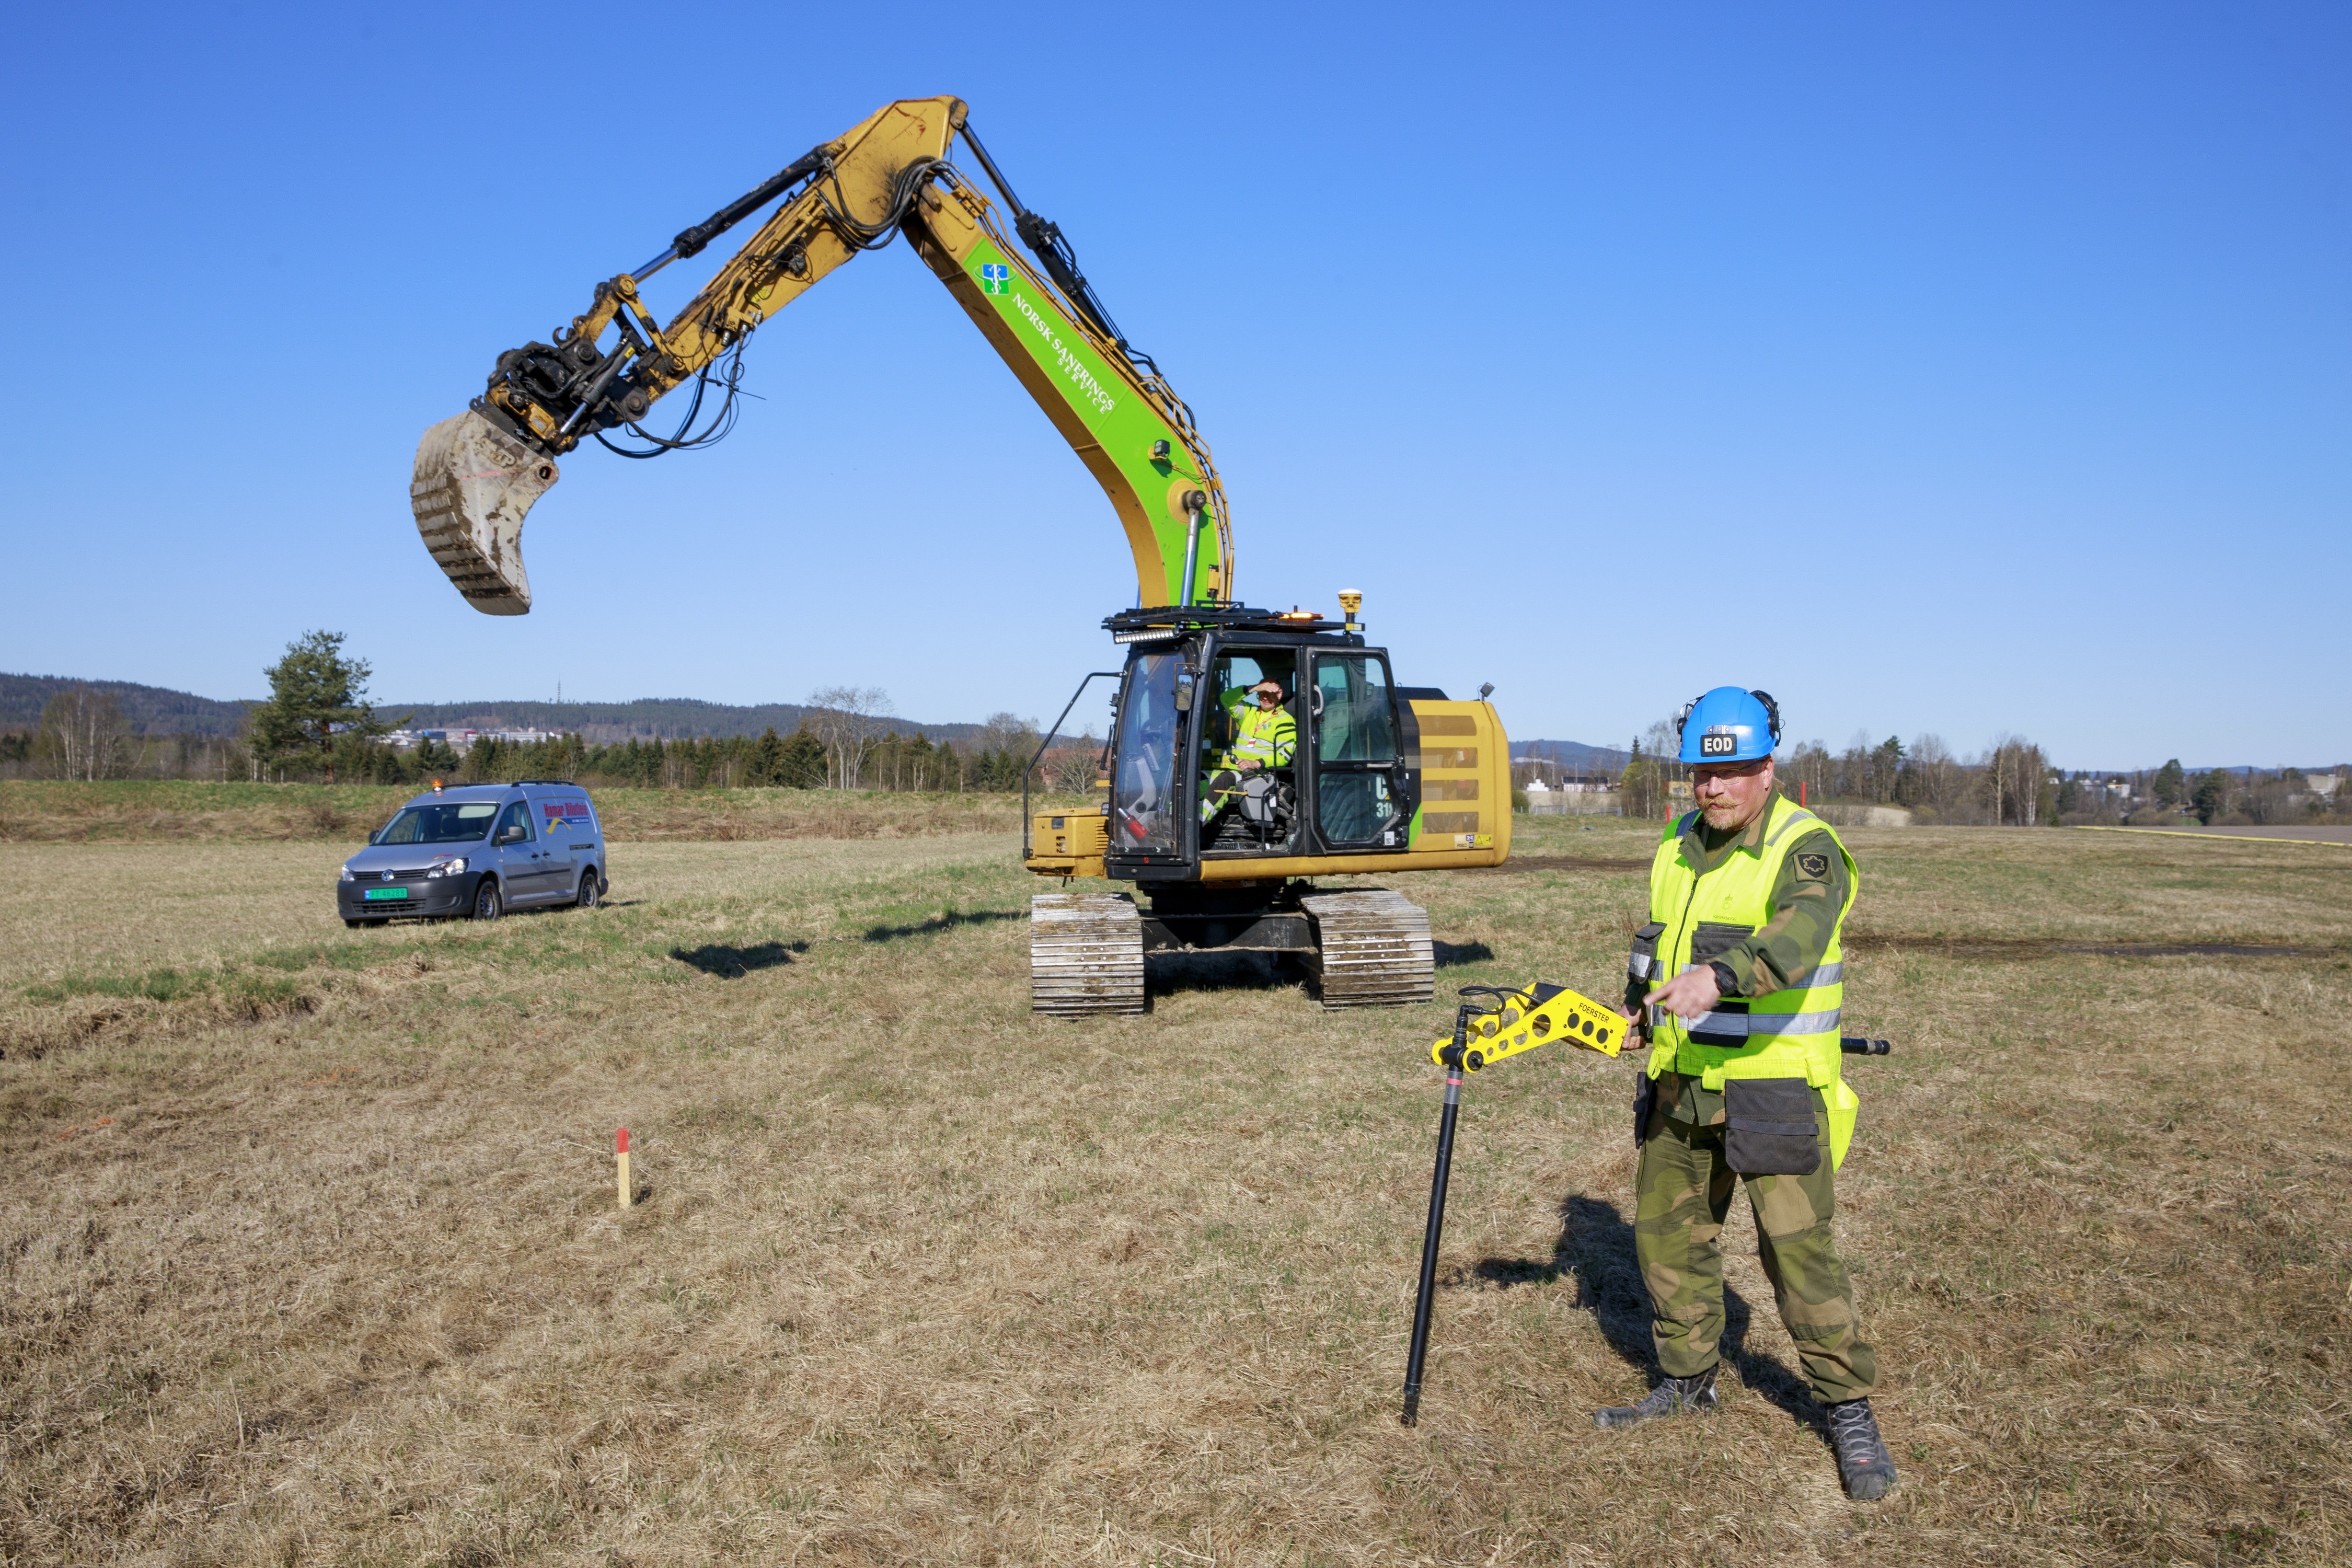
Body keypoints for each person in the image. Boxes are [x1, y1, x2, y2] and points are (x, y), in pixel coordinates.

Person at [1596, 686, 1897, 1503]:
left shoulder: (1809, 848)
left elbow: (1794, 941)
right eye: (1701, 773)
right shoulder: (1675, 845)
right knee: (1668, 1241)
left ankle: (1847, 1410)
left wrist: (1717, 980)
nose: (1714, 789)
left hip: (1771, 1091)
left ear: (1770, 768)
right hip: (1681, 1086)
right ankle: (1689, 1379)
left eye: (1733, 773)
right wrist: (1636, 1008)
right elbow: (1655, 945)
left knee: (1797, 1257)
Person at [1199, 676, 1296, 825]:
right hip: (1236, 770)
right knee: (1196, 778)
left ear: (1280, 694)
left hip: (1259, 775)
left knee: (1226, 780)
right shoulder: (1249, 713)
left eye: (1269, 693)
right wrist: (1252, 688)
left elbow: (1284, 755)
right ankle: (1171, 819)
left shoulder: (1285, 721)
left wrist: (1255, 763)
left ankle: (1195, 824)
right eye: (1262, 692)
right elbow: (1226, 699)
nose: (1265, 697)